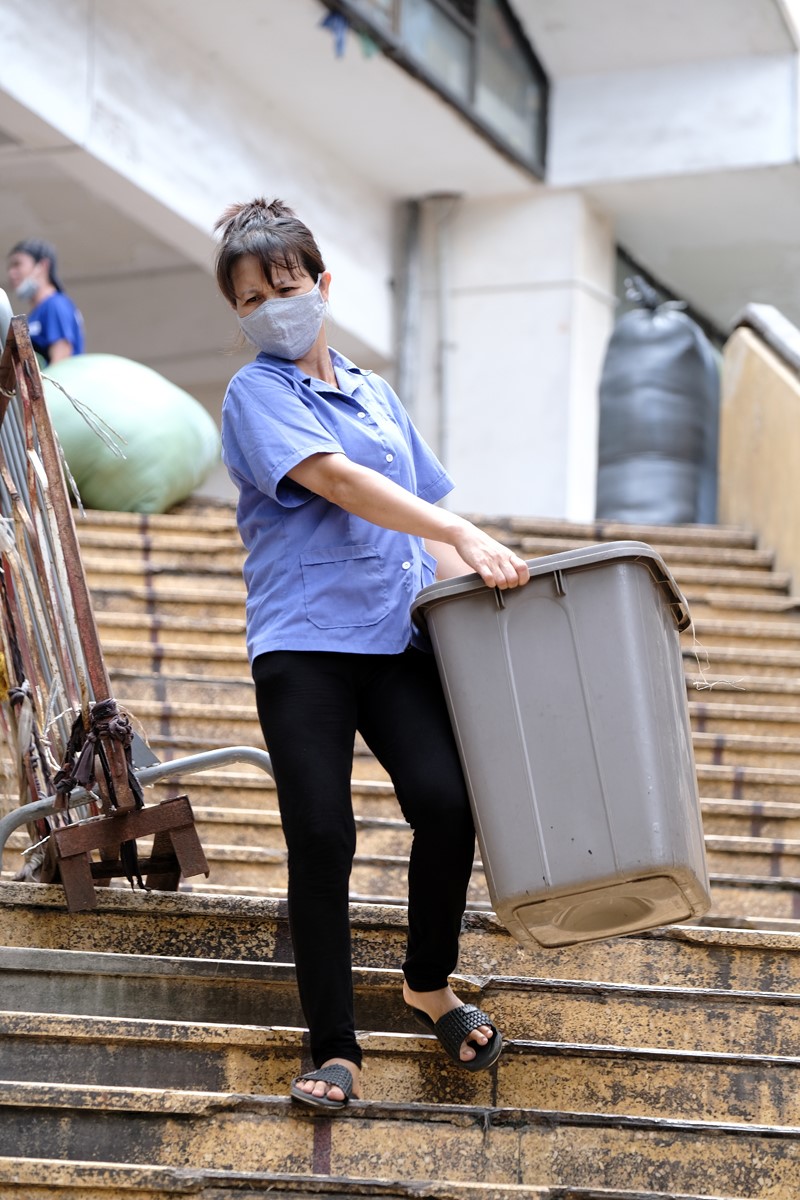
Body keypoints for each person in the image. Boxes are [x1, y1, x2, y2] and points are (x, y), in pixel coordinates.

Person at [214, 197, 530, 1111]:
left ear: (321, 284)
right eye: (249, 299)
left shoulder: (375, 393)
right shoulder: (256, 395)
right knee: (322, 835)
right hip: (304, 645)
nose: (272, 307)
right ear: (236, 313)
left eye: (284, 285)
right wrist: (461, 526)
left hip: (396, 637)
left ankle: (427, 983)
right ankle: (335, 1047)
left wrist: (474, 574)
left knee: (448, 800)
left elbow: (422, 518)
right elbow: (341, 483)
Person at [6, 238, 85, 363]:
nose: (11, 273)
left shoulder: (55, 304)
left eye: (17, 264)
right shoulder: (39, 311)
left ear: (42, 266)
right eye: (10, 267)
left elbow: (61, 360)